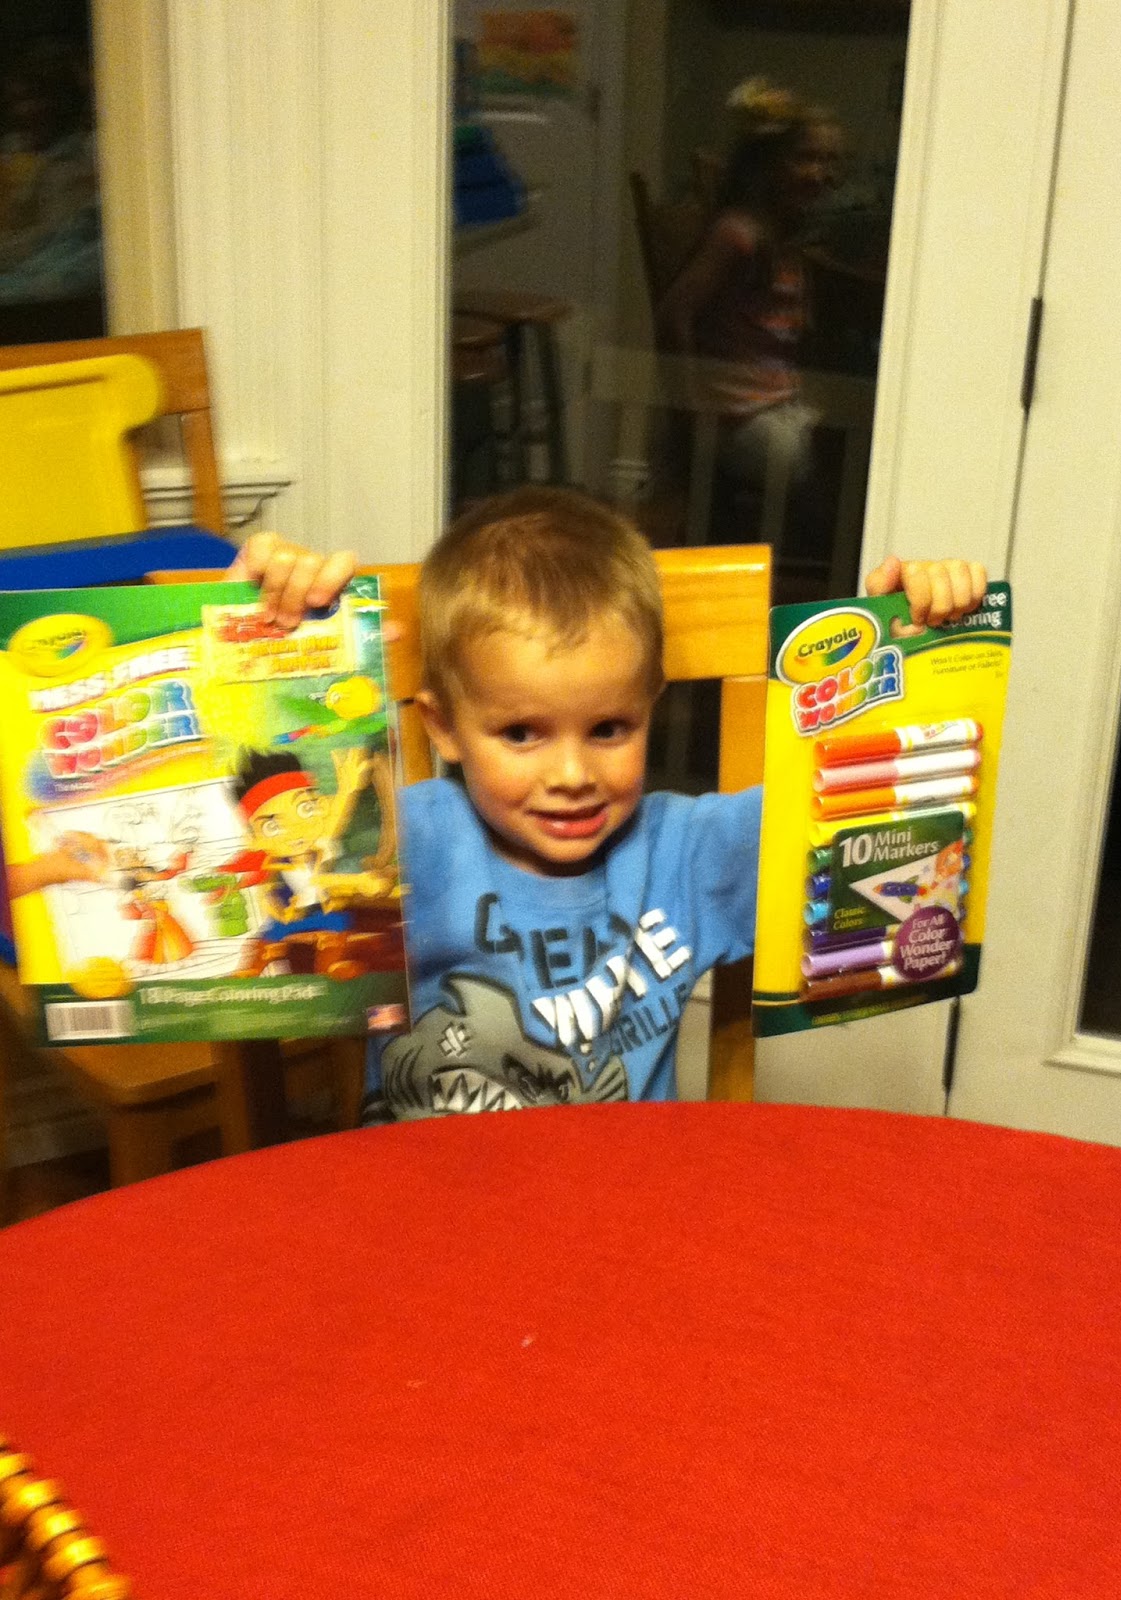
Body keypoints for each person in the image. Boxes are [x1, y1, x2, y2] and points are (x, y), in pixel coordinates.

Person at [224, 489, 985, 1122]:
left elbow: (860, 817)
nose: (572, 774)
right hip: (425, 1215)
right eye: (521, 733)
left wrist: (910, 648)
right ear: (444, 728)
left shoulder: (687, 850)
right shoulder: (406, 843)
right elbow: (237, 882)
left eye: (610, 729)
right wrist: (248, 623)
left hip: (623, 1213)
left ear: (650, 709)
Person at [657, 78, 846, 535]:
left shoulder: (784, 237)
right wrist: (692, 409)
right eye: (805, 158)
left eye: (829, 162)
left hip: (776, 406)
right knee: (837, 456)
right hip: (737, 419)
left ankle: (802, 544)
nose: (819, 174)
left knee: (852, 430)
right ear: (766, 165)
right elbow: (674, 314)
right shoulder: (739, 234)